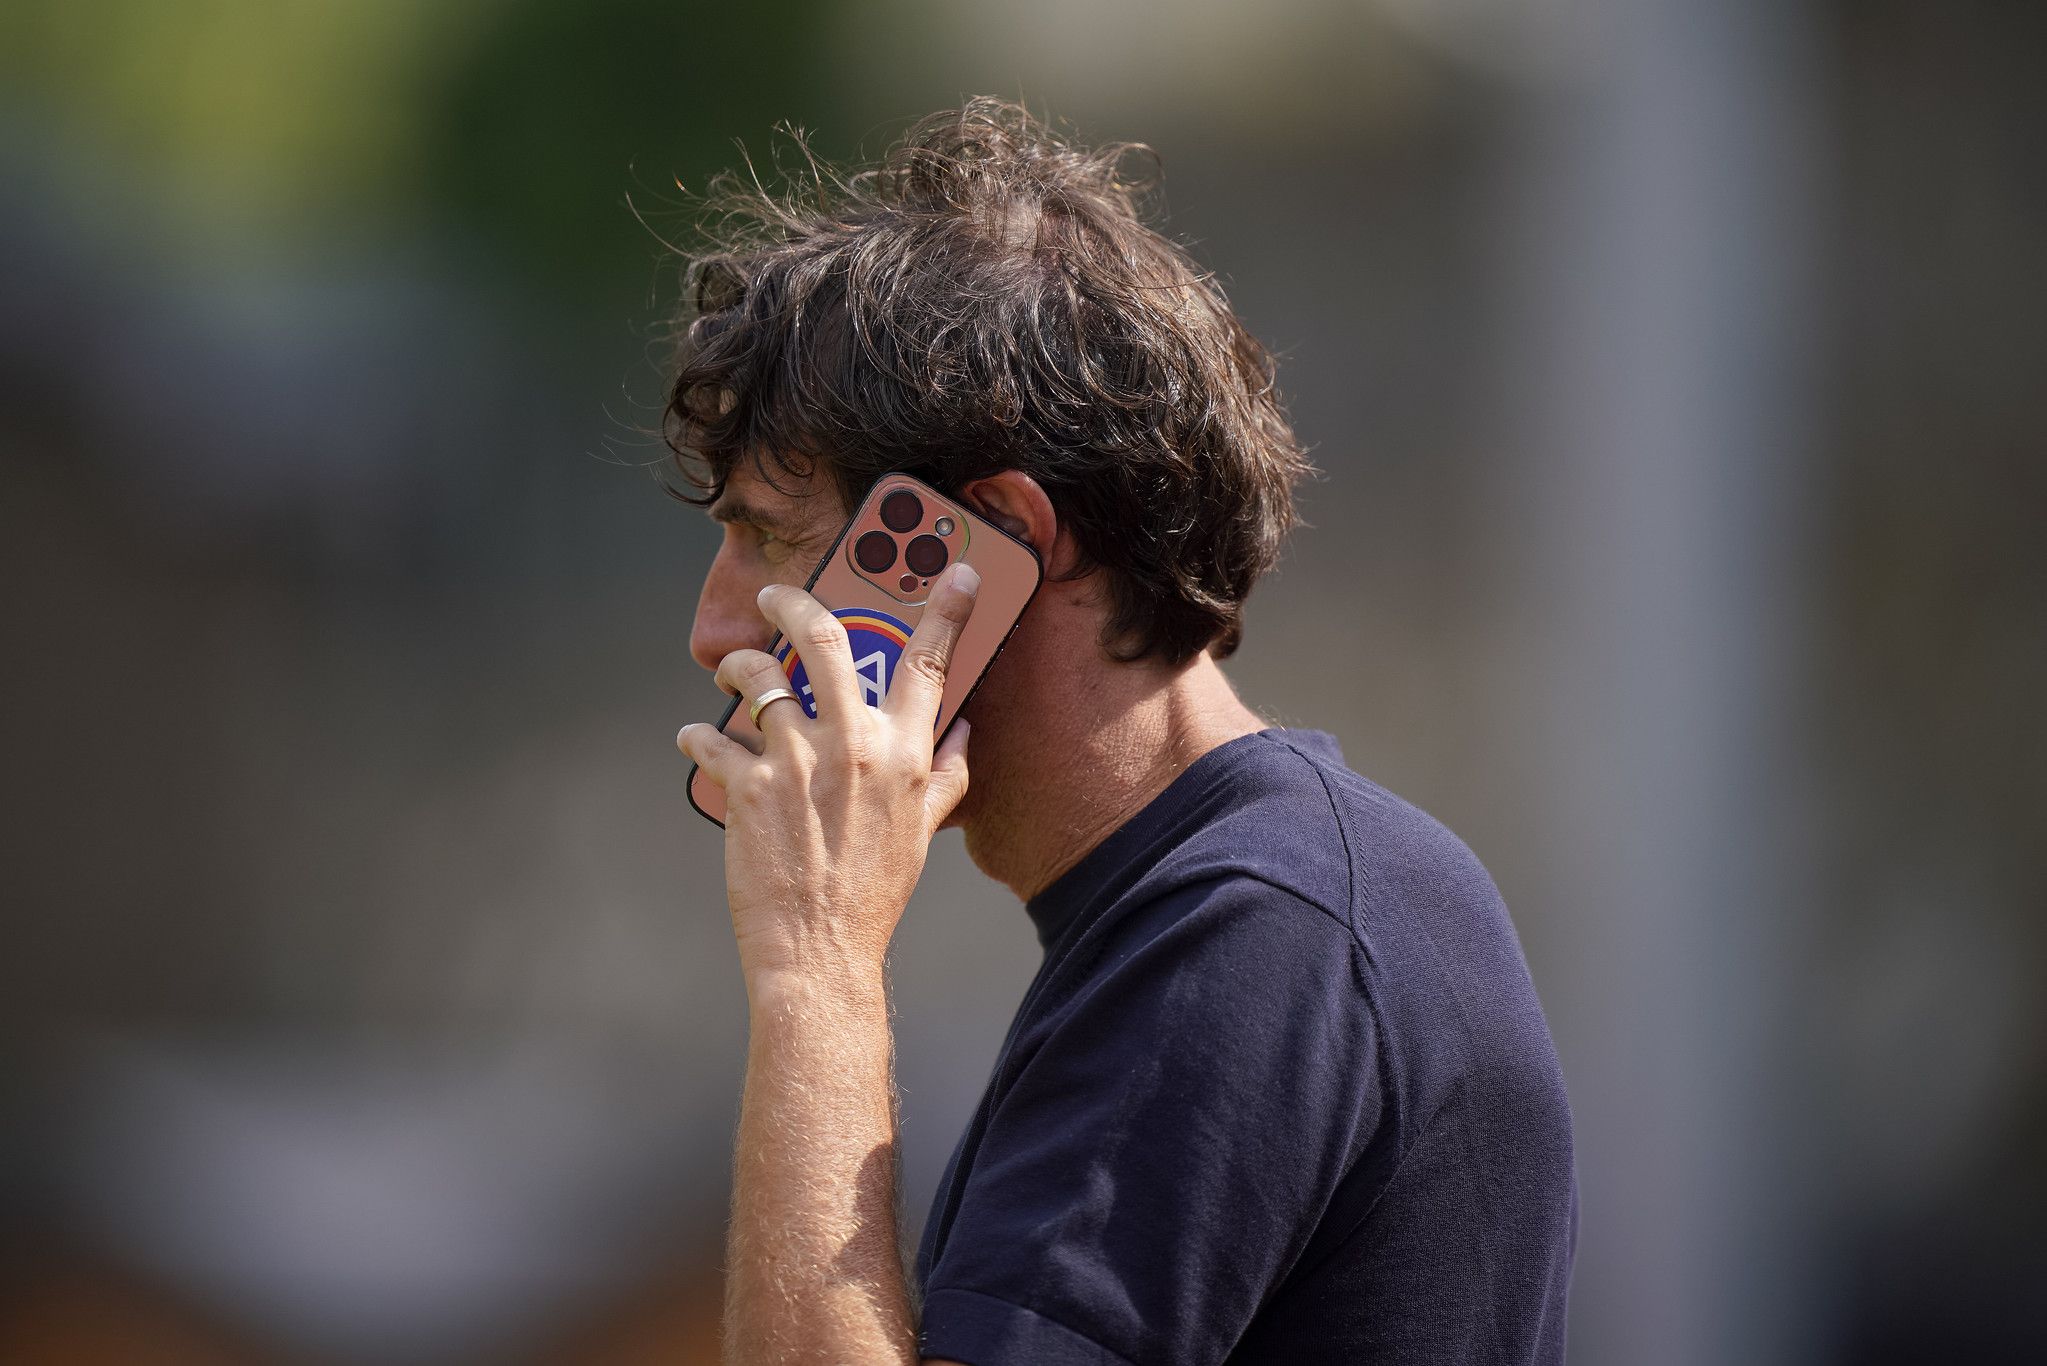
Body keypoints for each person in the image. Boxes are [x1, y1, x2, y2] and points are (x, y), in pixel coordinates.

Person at [670, 98, 1577, 1365]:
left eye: (771, 534)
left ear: (1000, 539)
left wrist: (816, 972)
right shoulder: (1276, 901)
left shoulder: (1257, 938)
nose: (717, 628)